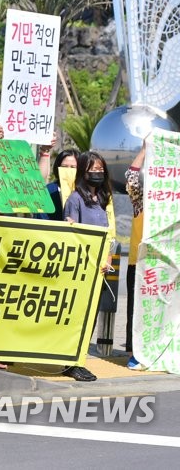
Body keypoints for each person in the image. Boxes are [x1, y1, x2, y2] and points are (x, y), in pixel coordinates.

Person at [61, 150, 114, 382]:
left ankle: (79, 359)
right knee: (78, 317)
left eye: (100, 169)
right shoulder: (75, 199)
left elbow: (109, 235)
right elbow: (70, 232)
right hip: (81, 270)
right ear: (83, 171)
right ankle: (70, 362)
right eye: (93, 169)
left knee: (90, 318)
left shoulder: (103, 198)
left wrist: (108, 260)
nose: (97, 173)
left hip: (99, 269)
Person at [124, 141, 147, 370]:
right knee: (135, 309)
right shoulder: (141, 199)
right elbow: (131, 178)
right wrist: (143, 150)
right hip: (138, 262)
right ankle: (133, 351)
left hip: (167, 265)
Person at [42, 149, 79, 220]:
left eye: (73, 167)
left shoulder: (86, 192)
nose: (68, 170)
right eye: (64, 166)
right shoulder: (49, 191)